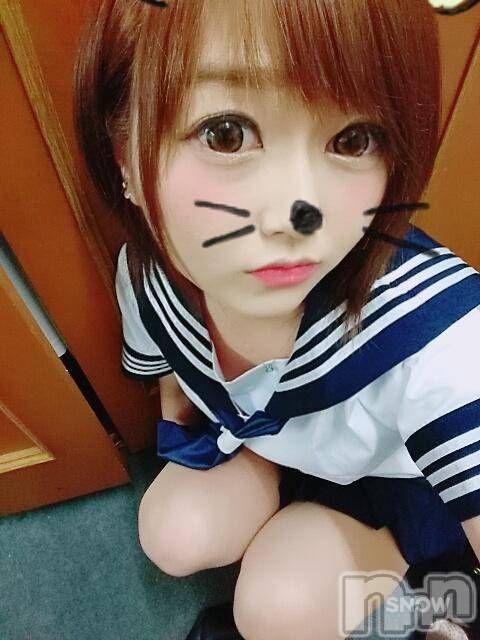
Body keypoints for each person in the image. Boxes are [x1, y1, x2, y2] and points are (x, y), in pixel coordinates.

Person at [73, 0, 480, 637]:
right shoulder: (151, 275)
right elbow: (169, 374)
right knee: (172, 532)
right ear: (123, 156)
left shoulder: (437, 332)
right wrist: (194, 427)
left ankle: (418, 587)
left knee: (275, 611)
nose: (300, 216)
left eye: (352, 140)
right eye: (226, 133)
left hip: (396, 486)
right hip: (275, 443)